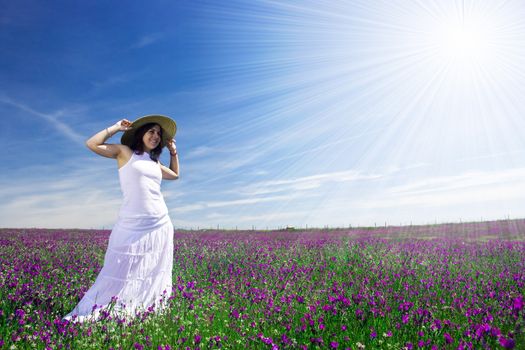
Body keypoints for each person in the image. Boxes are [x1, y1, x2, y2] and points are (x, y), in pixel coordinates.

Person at [63, 114, 179, 322]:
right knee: (117, 270)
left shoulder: (154, 162)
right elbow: (92, 144)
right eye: (151, 131)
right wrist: (115, 127)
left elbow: (175, 175)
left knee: (152, 271)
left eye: (158, 134)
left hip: (159, 224)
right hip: (131, 225)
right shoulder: (125, 152)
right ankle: (108, 307)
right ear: (141, 133)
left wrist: (173, 152)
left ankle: (144, 308)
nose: (155, 136)